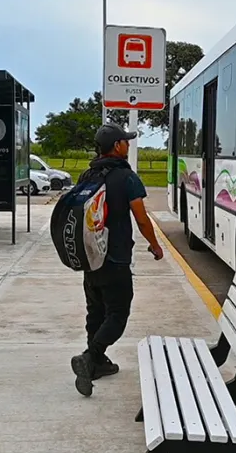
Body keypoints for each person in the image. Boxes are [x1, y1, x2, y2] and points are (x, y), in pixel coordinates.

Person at [70, 122, 165, 397]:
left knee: (95, 311)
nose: (128, 144)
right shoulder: (127, 178)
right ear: (116, 146)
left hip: (91, 257)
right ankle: (90, 357)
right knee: (118, 314)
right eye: (125, 141)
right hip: (116, 258)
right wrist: (155, 245)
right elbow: (142, 218)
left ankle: (97, 364)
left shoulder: (87, 174)